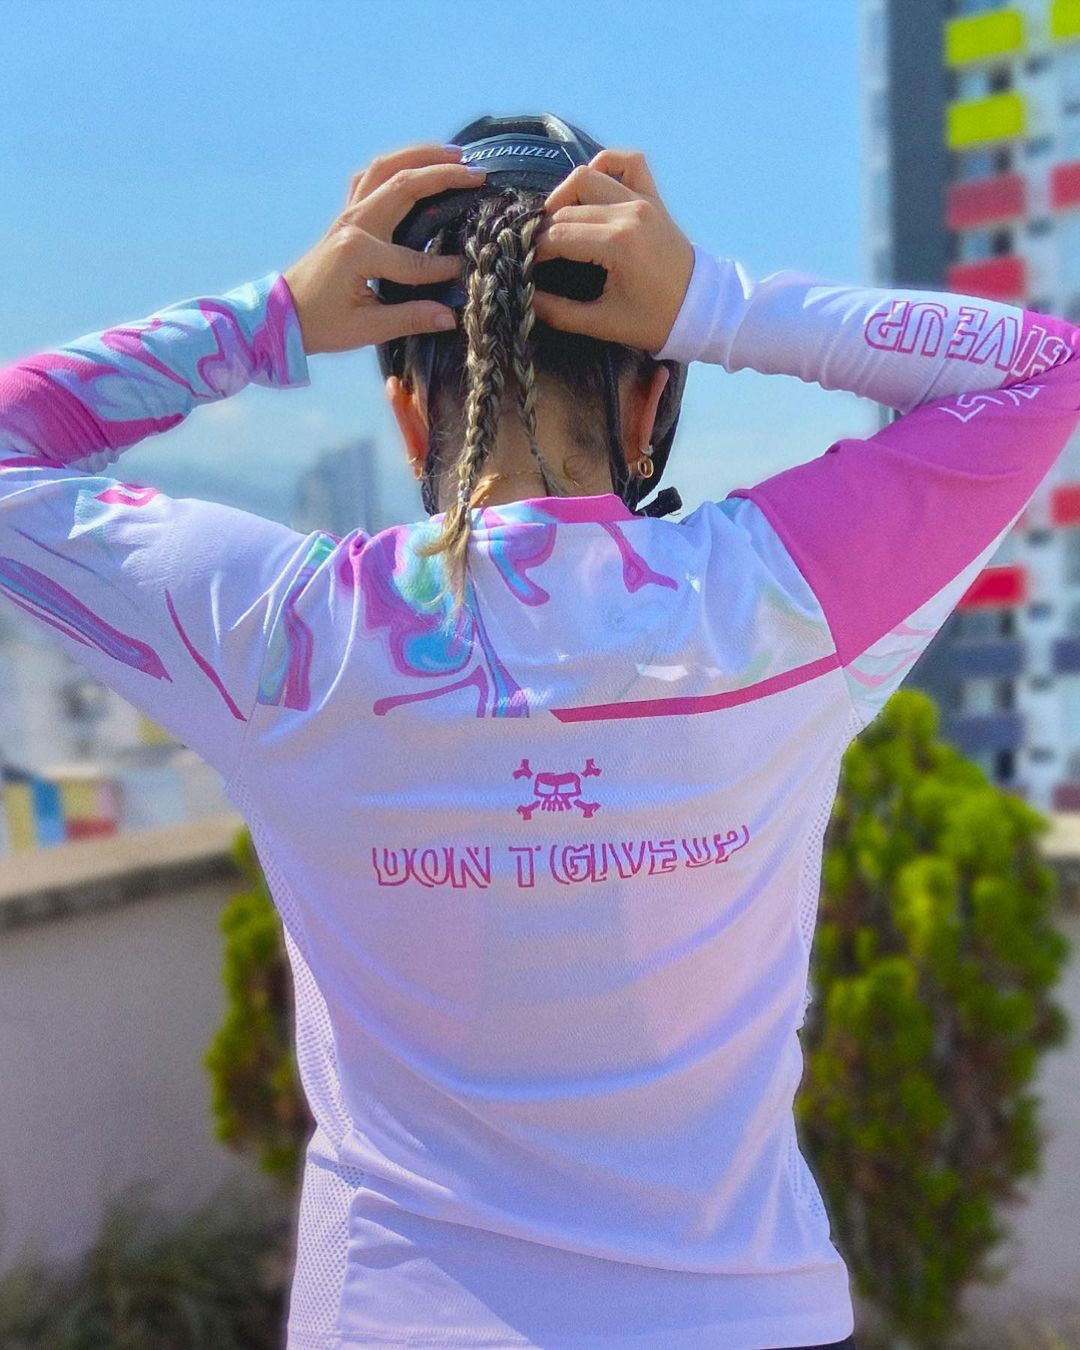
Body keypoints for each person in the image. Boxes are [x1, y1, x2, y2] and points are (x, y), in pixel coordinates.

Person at [1, 107, 1077, 1350]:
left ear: (409, 419)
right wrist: (716, 301)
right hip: (746, 1316)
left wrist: (279, 316)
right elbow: (1044, 367)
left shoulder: (292, 633)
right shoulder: (774, 602)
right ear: (650, 404)